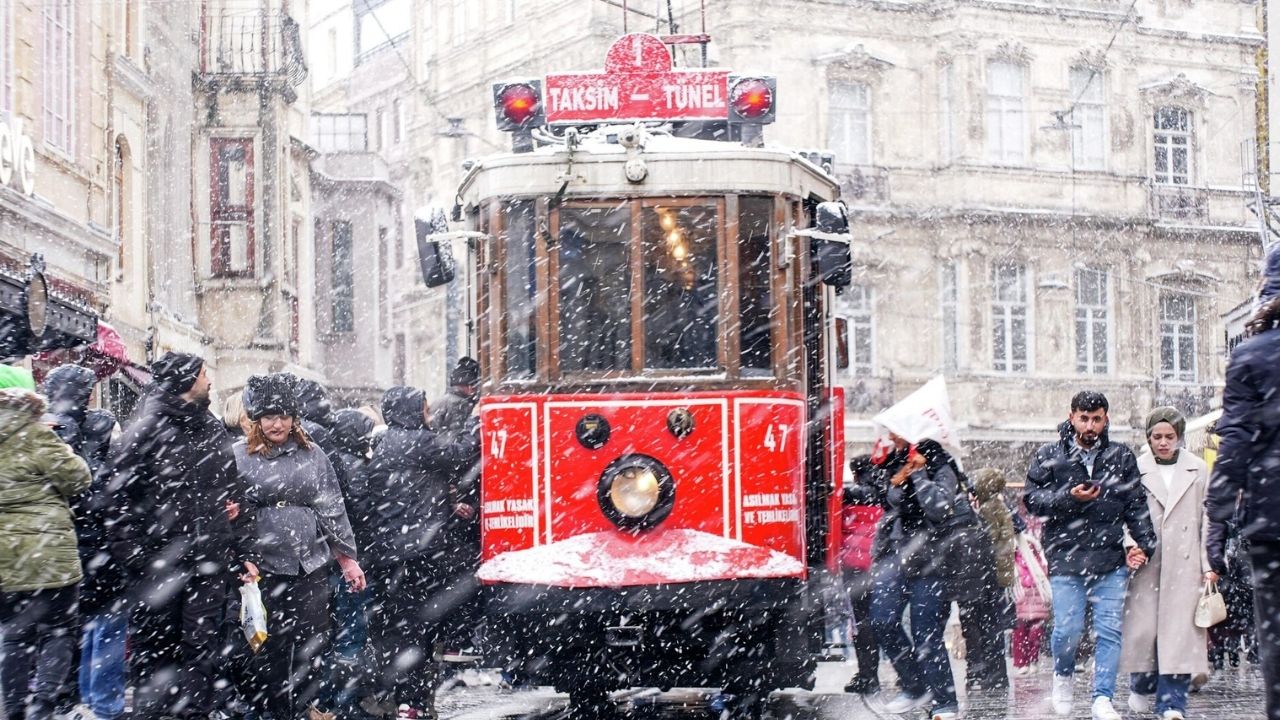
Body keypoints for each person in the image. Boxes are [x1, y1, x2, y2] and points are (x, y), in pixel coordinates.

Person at [105, 352, 259, 720]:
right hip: (158, 567)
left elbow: (232, 491)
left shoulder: (210, 428)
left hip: (207, 564)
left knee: (201, 652)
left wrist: (240, 547)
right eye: (204, 374)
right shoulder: (145, 428)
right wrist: (139, 557)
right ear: (187, 380)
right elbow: (115, 498)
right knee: (156, 653)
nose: (209, 381)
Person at [234, 373, 365, 720]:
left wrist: (348, 560)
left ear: (295, 418)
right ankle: (270, 710)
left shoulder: (313, 454)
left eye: (284, 415)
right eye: (269, 416)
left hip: (309, 563)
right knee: (266, 644)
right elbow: (229, 511)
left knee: (313, 640)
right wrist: (242, 557)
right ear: (256, 418)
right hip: (262, 565)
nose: (277, 424)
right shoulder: (239, 456)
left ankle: (305, 708)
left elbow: (333, 509)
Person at [1024, 390, 1157, 720]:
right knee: (1067, 630)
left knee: (1110, 631)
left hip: (1110, 558)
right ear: (1071, 417)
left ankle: (1102, 697)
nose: (1090, 425)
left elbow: (1136, 505)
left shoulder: (1120, 456)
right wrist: (1069, 498)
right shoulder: (1049, 455)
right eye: (1084, 418)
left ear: (1105, 419)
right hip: (1066, 558)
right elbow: (1033, 500)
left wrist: (1145, 543)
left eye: (1096, 418)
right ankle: (1063, 675)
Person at [356, 386, 477, 720]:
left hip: (390, 555)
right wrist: (478, 420)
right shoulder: (417, 441)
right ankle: (415, 701)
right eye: (424, 409)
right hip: (420, 554)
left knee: (400, 629)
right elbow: (463, 451)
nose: (429, 415)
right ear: (412, 412)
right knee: (421, 628)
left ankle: (401, 698)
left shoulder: (384, 443)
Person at [1206, 242, 1280, 720]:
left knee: (1274, 633)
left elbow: (1233, 440)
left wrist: (1216, 511)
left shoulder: (1251, 356)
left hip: (1271, 520)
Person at [0, 369, 93, 720]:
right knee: (58, 632)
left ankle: (13, 710)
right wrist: (65, 449)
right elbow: (79, 478)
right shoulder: (38, 435)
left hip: (6, 555)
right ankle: (43, 705)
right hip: (50, 552)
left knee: (13, 636)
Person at [869, 437, 977, 720]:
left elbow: (939, 507)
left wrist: (918, 474)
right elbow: (889, 502)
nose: (891, 437)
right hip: (896, 554)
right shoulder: (895, 460)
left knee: (926, 632)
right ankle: (915, 685)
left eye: (896, 432)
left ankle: (944, 702)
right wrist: (888, 471)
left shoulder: (941, 464)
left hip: (933, 559)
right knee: (882, 619)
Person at [1120, 407, 1211, 720]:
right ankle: (1141, 683)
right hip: (1146, 561)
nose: (1162, 442)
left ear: (1179, 437)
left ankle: (1173, 702)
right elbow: (1123, 514)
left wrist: (1208, 562)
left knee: (1179, 634)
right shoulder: (1134, 468)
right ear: (1148, 437)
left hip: (1184, 562)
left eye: (1169, 436)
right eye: (1156, 436)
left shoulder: (1197, 469)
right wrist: (1130, 545)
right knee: (1143, 631)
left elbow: (1207, 519)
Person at [72, 409, 129, 720]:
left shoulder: (78, 462)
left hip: (85, 559)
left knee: (93, 630)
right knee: (108, 631)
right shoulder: (107, 471)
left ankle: (91, 698)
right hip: (106, 560)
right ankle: (105, 704)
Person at [960, 468, 1017, 691]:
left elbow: (990, 539)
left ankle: (993, 673)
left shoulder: (990, 509)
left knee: (986, 625)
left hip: (988, 576)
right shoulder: (995, 506)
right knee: (989, 625)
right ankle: (995, 673)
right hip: (992, 576)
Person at [840, 455, 883, 695]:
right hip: (878, 566)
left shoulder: (847, 497)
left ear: (856, 473)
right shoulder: (887, 494)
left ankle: (867, 674)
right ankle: (880, 673)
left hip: (854, 569)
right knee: (881, 622)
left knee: (860, 623)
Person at [1012, 526, 1051, 674]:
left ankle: (1032, 660)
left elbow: (1044, 579)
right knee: (1020, 634)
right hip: (1022, 601)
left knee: (1035, 634)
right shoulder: (1015, 563)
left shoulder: (1039, 563)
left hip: (1036, 602)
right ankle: (1023, 662)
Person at [429, 357, 479, 434]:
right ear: (470, 386)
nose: (477, 390)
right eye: (476, 386)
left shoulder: (440, 401)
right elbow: (462, 439)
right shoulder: (461, 404)